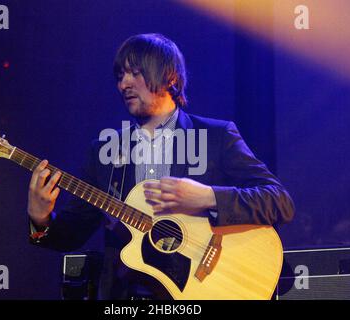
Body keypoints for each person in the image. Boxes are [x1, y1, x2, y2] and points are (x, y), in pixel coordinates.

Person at [27, 33, 295, 299]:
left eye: (135, 73)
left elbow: (279, 201)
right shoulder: (105, 152)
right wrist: (40, 219)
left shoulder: (217, 137)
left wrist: (207, 197)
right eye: (120, 76)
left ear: (171, 77)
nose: (124, 84)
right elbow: (71, 235)